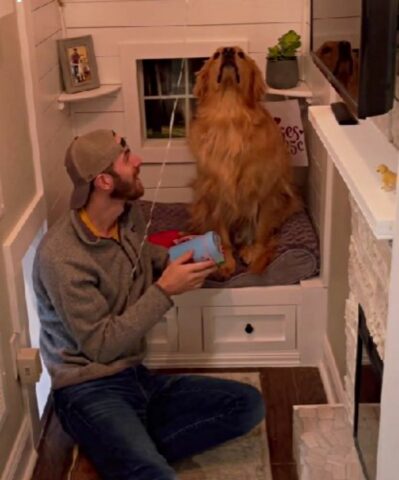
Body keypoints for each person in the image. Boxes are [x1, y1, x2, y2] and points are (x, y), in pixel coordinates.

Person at [32, 129, 265, 480]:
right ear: (105, 182)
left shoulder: (127, 216)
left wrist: (178, 256)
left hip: (137, 377)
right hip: (88, 389)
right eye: (126, 159)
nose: (138, 161)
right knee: (156, 475)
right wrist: (165, 290)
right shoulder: (62, 257)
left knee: (248, 405)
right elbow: (102, 345)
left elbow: (138, 258)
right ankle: (130, 457)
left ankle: (120, 456)